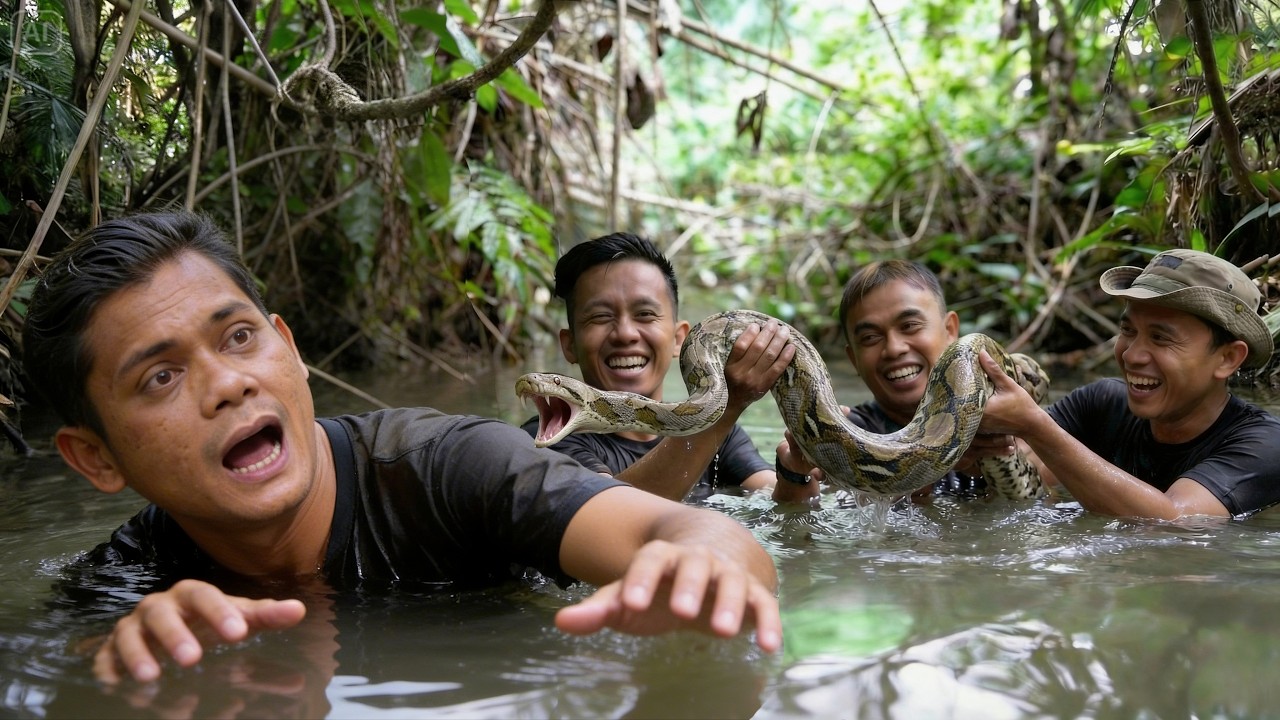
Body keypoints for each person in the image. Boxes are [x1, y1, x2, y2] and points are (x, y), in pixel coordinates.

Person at [20, 212, 783, 684]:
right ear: (96, 460)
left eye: (240, 337)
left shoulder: (451, 464)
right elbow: (51, 660)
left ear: (288, 347)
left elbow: (685, 530)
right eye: (159, 377)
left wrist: (707, 571)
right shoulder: (134, 571)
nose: (226, 385)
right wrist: (110, 667)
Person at [975, 248, 1280, 519]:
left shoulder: (1266, 445)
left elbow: (1176, 522)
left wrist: (1035, 426)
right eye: (1128, 330)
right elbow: (1022, 476)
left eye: (1160, 338)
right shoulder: (1100, 403)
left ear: (1227, 358)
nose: (1132, 355)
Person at [521, 232, 811, 503]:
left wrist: (795, 471)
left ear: (678, 339)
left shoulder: (726, 435)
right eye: (599, 317)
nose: (625, 334)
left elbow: (783, 507)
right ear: (569, 345)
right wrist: (727, 405)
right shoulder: (547, 444)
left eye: (644, 314)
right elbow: (613, 514)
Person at [774, 260, 1005, 501]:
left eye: (909, 326)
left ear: (950, 330)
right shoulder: (845, 433)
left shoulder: (1009, 411)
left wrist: (1031, 426)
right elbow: (807, 526)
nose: (894, 349)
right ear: (853, 359)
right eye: (871, 337)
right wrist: (794, 474)